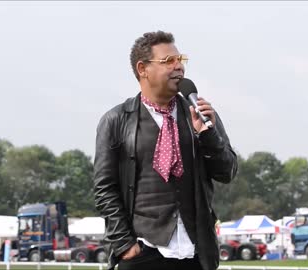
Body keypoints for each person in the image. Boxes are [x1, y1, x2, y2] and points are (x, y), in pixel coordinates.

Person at [93, 31, 238, 270]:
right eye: (168, 61)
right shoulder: (116, 120)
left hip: (195, 253)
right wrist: (125, 246)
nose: (178, 67)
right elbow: (104, 188)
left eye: (180, 59)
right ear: (143, 69)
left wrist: (207, 135)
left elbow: (227, 171)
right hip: (142, 252)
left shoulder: (200, 113)